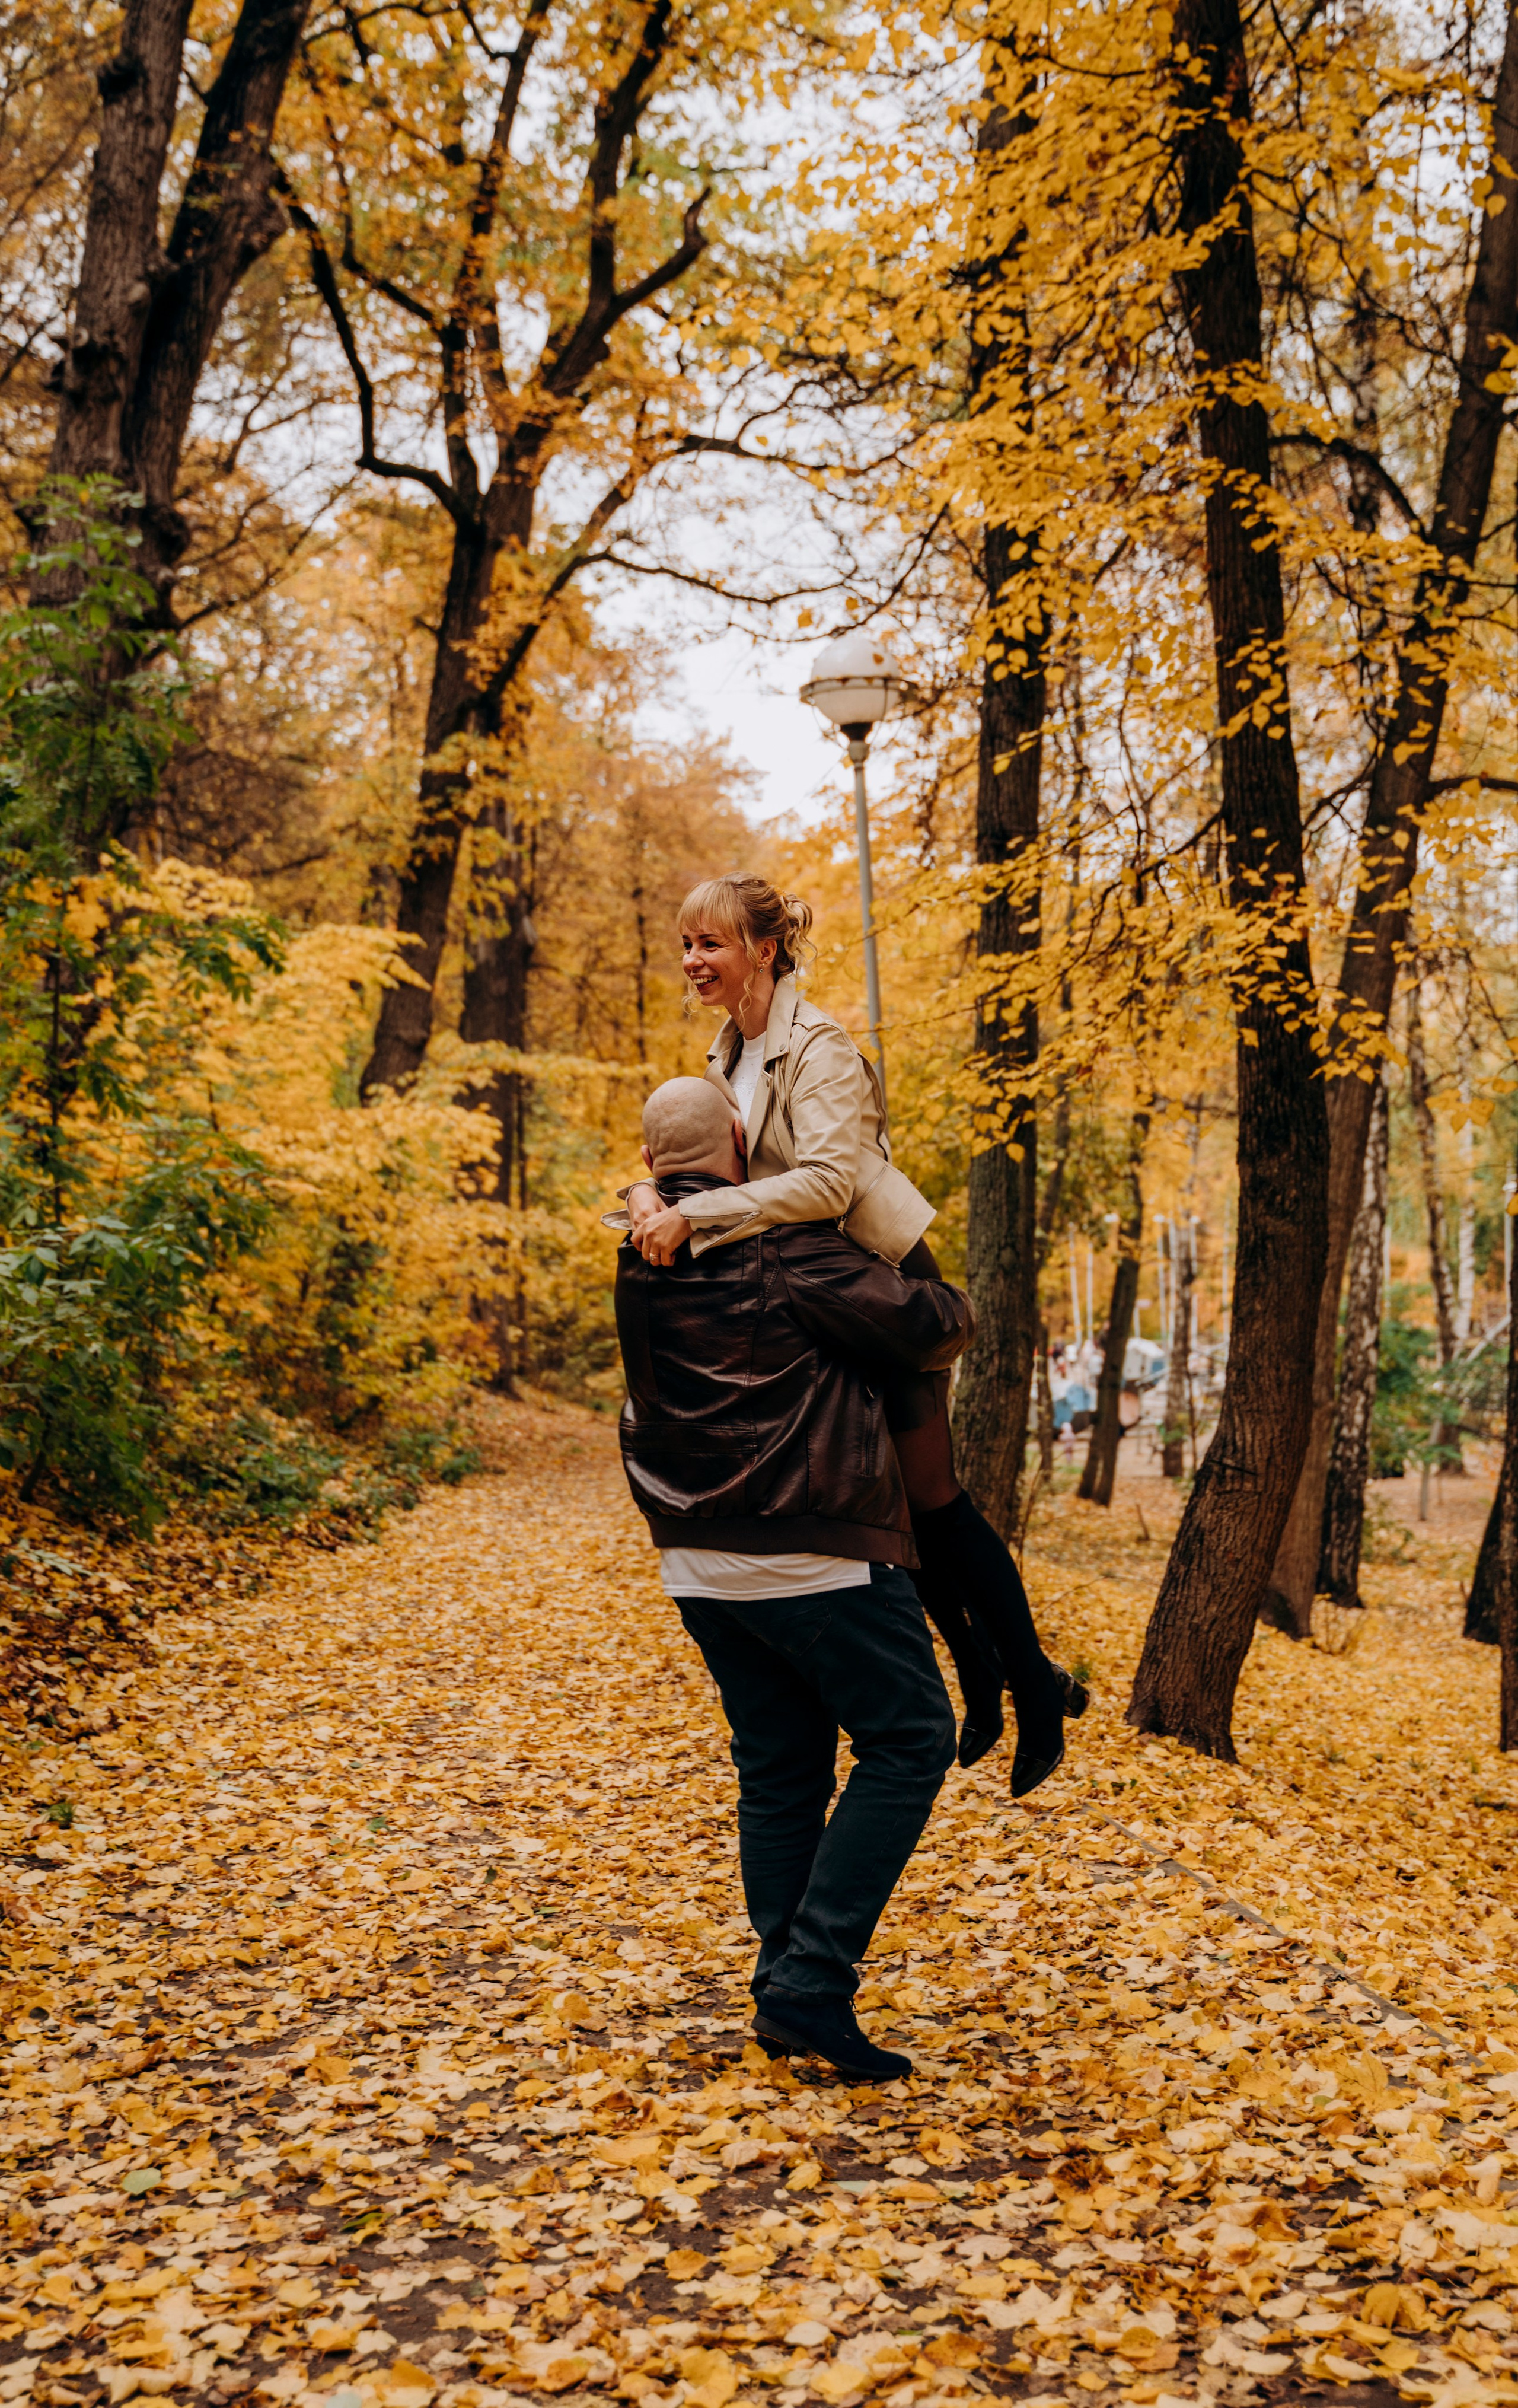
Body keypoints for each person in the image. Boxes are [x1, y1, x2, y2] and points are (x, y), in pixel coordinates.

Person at [623, 873, 1086, 1798]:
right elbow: (686, 1167)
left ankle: (1028, 1683)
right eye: (685, 944)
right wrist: (645, 1197)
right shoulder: (726, 1059)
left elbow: (831, 1186)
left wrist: (705, 1215)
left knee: (932, 1501)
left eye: (709, 943)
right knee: (893, 1514)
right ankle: (991, 1682)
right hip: (814, 1297)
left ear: (763, 948)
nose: (692, 961)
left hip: (881, 1278)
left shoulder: (819, 1045)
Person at [614, 1075, 972, 2081]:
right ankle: (812, 1980)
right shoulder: (797, 1252)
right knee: (911, 1739)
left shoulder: (635, 1251)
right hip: (812, 1546)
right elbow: (937, 1321)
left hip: (695, 1558)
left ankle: (786, 1986)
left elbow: (655, 1194)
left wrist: (651, 1200)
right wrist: (887, 1223)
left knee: (779, 1765)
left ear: (651, 1170)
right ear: (746, 1135)